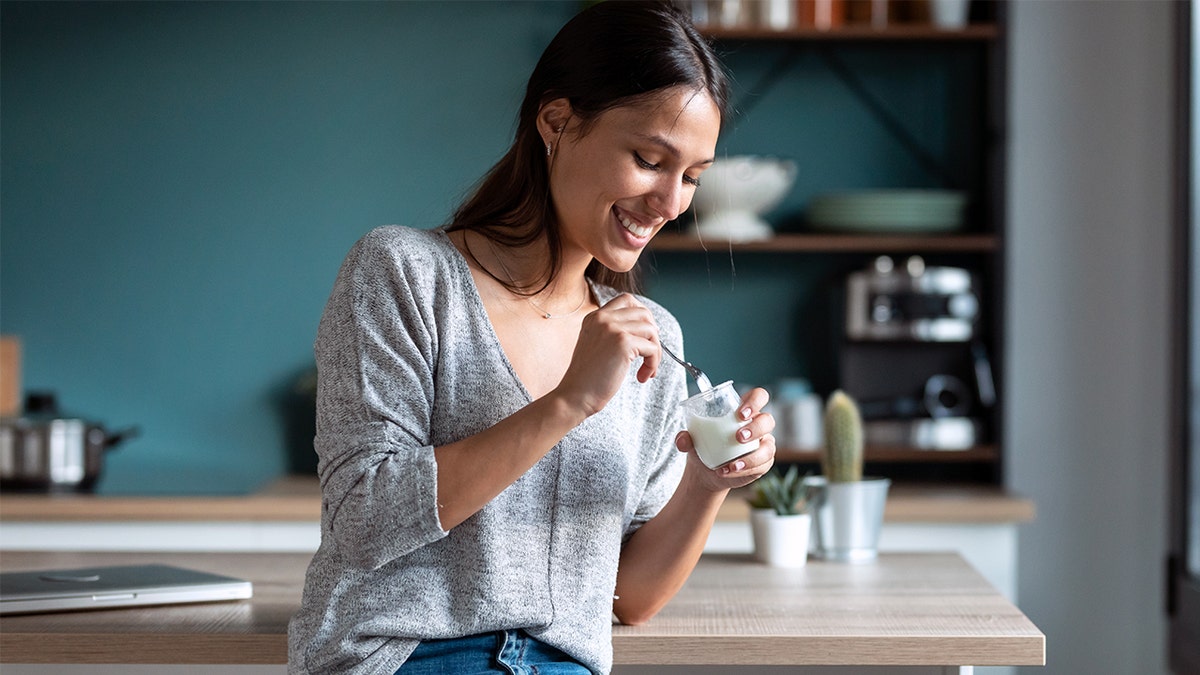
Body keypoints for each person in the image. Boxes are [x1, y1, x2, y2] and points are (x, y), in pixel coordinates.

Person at [287, 2, 776, 674]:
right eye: (648, 159)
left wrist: (706, 481)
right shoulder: (402, 272)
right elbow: (364, 521)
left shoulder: (651, 338)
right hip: (405, 654)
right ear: (556, 121)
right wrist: (568, 401)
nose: (670, 204)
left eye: (691, 177)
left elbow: (630, 599)